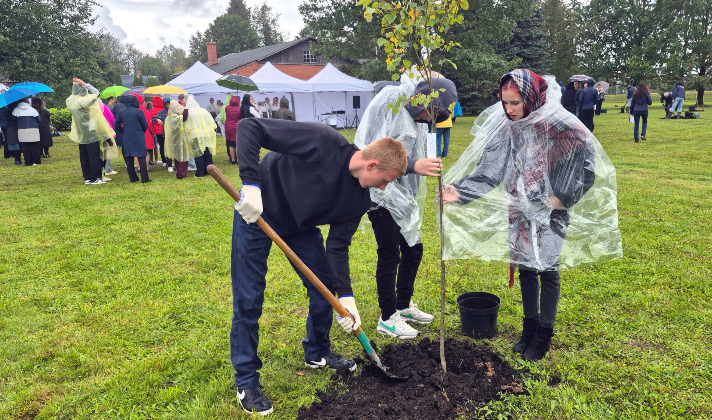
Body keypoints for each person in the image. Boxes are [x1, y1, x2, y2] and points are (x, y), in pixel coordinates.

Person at [440, 69, 620, 362]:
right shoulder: (507, 125)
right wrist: (460, 192)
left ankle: (544, 333)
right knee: (525, 267)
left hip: (552, 212)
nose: (509, 110)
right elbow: (491, 170)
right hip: (519, 208)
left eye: (515, 103)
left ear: (530, 97)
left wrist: (562, 199)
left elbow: (587, 170)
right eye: (504, 102)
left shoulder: (562, 125)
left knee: (547, 269)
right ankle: (529, 326)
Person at [231, 118, 408, 415]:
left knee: (323, 288)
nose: (384, 186)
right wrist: (250, 184)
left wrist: (347, 297)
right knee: (248, 299)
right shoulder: (323, 141)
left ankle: (317, 351)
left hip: (301, 226)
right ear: (372, 165)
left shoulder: (359, 200)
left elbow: (337, 247)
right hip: (258, 212)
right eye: (385, 179)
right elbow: (250, 128)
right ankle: (246, 380)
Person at [351, 74, 455, 339]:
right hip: (381, 193)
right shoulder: (394, 108)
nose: (431, 118)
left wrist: (424, 163)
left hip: (404, 195)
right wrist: (414, 166)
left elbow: (415, 150)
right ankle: (387, 317)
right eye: (431, 111)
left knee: (414, 250)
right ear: (420, 99)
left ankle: (403, 305)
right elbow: (374, 157)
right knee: (390, 253)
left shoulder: (416, 117)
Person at [66, 78, 117, 185]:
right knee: (94, 156)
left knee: (84, 156)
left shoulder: (70, 101)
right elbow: (97, 93)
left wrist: (77, 84)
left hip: (80, 132)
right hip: (90, 132)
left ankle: (87, 178)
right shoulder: (83, 101)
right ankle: (95, 178)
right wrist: (84, 83)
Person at [114, 95, 151, 183]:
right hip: (138, 136)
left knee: (128, 157)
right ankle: (144, 178)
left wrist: (123, 131)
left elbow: (116, 125)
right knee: (141, 156)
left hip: (127, 136)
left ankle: (133, 178)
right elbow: (145, 124)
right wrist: (141, 131)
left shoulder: (121, 112)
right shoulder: (139, 111)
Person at [182, 95, 217, 178]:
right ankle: (209, 170)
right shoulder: (204, 111)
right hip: (206, 134)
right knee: (207, 153)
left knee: (198, 153)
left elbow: (186, 126)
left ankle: (200, 172)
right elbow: (211, 123)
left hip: (195, 135)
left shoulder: (190, 112)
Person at [163, 99, 191, 179]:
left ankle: (180, 173)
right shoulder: (174, 117)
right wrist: (185, 109)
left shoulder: (170, 116)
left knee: (178, 157)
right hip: (179, 139)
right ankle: (181, 174)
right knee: (181, 157)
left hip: (175, 139)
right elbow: (184, 117)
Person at [11, 98, 41, 166]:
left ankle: (28, 162)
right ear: (27, 101)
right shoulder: (32, 109)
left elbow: (13, 119)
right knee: (34, 146)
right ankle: (36, 161)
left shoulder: (16, 110)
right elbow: (38, 119)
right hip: (33, 129)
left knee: (25, 146)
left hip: (22, 129)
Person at [154, 97, 174, 172]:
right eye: (166, 103)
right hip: (166, 134)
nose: (168, 105)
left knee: (175, 149)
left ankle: (176, 164)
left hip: (174, 133)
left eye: (169, 103)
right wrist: (157, 119)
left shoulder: (173, 112)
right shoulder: (161, 112)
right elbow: (153, 118)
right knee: (167, 149)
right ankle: (169, 164)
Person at [149, 96, 169, 169]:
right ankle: (168, 160)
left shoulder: (152, 110)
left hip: (157, 132)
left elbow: (151, 120)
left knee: (161, 146)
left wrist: (153, 130)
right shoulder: (164, 111)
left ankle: (164, 161)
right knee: (168, 146)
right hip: (166, 131)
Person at [100, 99, 117, 178]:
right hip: (107, 130)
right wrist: (113, 128)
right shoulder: (104, 106)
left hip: (97, 131)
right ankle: (107, 169)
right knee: (108, 150)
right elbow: (111, 117)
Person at [224, 95, 241, 164]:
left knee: (230, 144)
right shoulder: (240, 109)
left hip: (228, 127)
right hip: (236, 127)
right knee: (237, 144)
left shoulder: (227, 108)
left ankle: (233, 159)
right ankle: (237, 159)